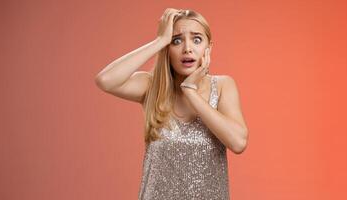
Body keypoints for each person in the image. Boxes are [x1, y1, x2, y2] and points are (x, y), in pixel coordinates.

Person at [95, 8, 248, 200]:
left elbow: (238, 142)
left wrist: (190, 91)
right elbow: (105, 80)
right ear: (167, 49)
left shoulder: (223, 85)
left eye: (197, 39)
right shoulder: (152, 86)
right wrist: (159, 41)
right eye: (176, 40)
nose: (187, 48)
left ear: (209, 48)